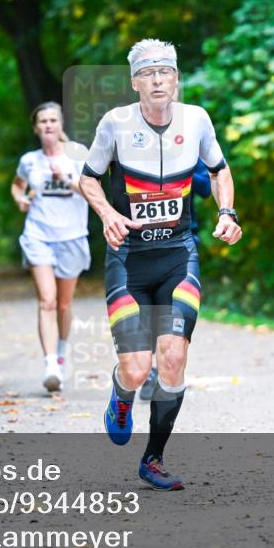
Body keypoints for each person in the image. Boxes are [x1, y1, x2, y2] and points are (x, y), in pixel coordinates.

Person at [79, 39, 242, 490]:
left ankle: (153, 459)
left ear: (175, 79)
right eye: (148, 73)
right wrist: (109, 214)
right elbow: (88, 178)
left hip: (178, 257)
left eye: (164, 72)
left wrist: (226, 212)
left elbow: (220, 169)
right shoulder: (115, 123)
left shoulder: (197, 120)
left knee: (172, 361)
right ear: (135, 82)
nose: (157, 80)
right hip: (128, 260)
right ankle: (122, 394)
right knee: (136, 368)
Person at [12, 102, 91, 393]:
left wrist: (68, 179)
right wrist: (20, 199)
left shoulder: (78, 155)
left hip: (71, 236)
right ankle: (50, 366)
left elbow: (94, 193)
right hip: (38, 235)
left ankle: (61, 352)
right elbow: (17, 185)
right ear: (36, 127)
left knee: (63, 304)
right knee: (46, 299)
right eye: (42, 121)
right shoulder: (29, 161)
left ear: (61, 125)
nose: (48, 125)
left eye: (53, 120)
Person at [140, 159, 212, 401]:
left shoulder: (192, 152)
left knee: (173, 307)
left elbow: (205, 189)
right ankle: (150, 369)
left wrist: (182, 170)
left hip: (183, 239)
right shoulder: (141, 149)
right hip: (144, 240)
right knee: (148, 309)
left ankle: (165, 370)